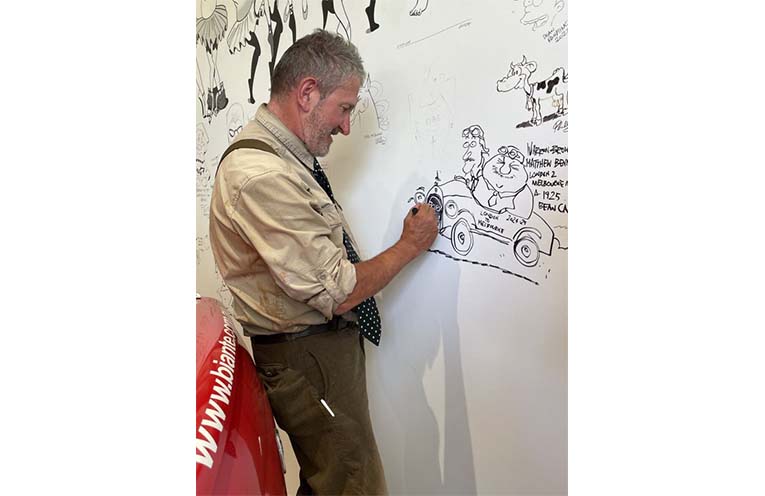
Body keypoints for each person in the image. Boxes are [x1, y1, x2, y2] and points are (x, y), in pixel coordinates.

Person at [209, 29, 439, 495]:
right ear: (308, 92)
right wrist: (409, 246)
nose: (346, 126)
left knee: (333, 481)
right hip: (307, 357)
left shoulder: (284, 158)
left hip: (316, 352)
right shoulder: (261, 174)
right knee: (354, 486)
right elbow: (338, 290)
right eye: (345, 108)